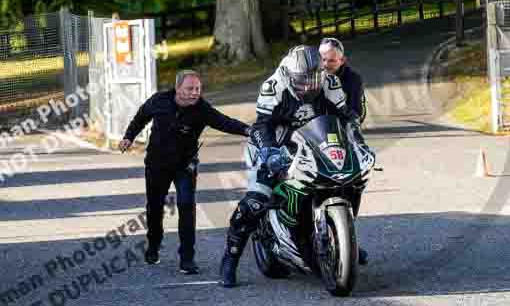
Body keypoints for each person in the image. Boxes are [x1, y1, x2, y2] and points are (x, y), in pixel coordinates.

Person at [219, 45, 362, 288]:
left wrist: (356, 137)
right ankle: (230, 258)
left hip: (313, 138)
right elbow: (262, 125)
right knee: (257, 199)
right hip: (274, 140)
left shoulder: (330, 82)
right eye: (302, 80)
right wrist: (269, 152)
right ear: (289, 74)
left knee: (346, 178)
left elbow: (344, 115)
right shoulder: (273, 86)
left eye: (314, 78)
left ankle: (340, 234)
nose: (309, 85)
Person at [120, 69, 251, 275]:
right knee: (154, 208)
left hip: (184, 166)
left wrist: (248, 130)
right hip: (157, 164)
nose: (194, 93)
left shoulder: (202, 109)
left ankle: (187, 259)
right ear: (178, 88)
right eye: (189, 88)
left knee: (186, 206)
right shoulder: (159, 101)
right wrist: (129, 136)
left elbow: (224, 122)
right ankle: (154, 244)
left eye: (198, 89)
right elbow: (140, 117)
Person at [319, 37, 369, 265]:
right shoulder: (311, 76)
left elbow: (356, 113)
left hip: (343, 135)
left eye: (331, 60)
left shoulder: (352, 79)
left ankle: (346, 238)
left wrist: (350, 125)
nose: (326, 64)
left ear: (342, 60)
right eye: (322, 59)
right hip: (314, 135)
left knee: (355, 180)